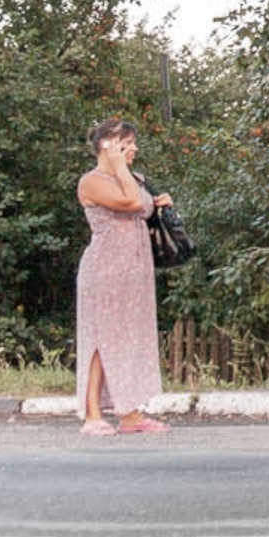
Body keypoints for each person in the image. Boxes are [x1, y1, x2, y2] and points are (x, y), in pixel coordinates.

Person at [74, 117, 173, 437]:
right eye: (125, 144)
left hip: (134, 269)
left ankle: (129, 412)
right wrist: (118, 166)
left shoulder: (133, 178)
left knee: (130, 337)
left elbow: (141, 208)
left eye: (132, 143)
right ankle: (92, 414)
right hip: (105, 269)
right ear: (106, 146)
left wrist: (159, 206)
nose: (133, 149)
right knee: (102, 339)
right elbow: (130, 202)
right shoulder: (92, 181)